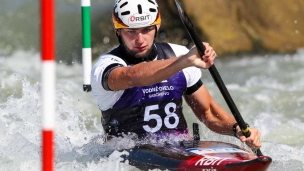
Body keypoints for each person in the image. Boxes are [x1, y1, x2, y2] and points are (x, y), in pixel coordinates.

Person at [91, 0, 261, 150]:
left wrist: (237, 129)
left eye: (147, 29)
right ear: (117, 30)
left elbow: (207, 113)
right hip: (127, 154)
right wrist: (183, 61)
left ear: (157, 26)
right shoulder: (105, 67)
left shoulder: (177, 53)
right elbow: (132, 76)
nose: (140, 39)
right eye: (131, 31)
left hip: (179, 148)